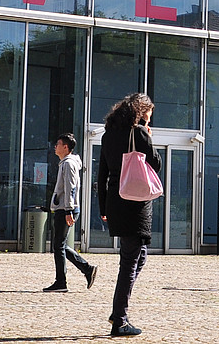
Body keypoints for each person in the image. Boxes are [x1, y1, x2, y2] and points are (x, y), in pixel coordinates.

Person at [97, 93, 162, 337]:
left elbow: (101, 175)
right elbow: (155, 164)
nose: (149, 118)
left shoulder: (108, 135)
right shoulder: (139, 133)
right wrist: (150, 139)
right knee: (130, 262)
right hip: (134, 203)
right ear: (141, 111)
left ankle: (118, 311)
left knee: (138, 256)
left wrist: (103, 208)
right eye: (148, 113)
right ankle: (119, 319)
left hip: (115, 201)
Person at [43, 132, 98, 293]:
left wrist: (68, 210)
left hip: (66, 209)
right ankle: (86, 269)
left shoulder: (68, 164)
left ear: (65, 147)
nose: (55, 146)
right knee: (59, 244)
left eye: (58, 144)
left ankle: (62, 281)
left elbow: (71, 188)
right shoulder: (66, 163)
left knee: (58, 245)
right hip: (65, 208)